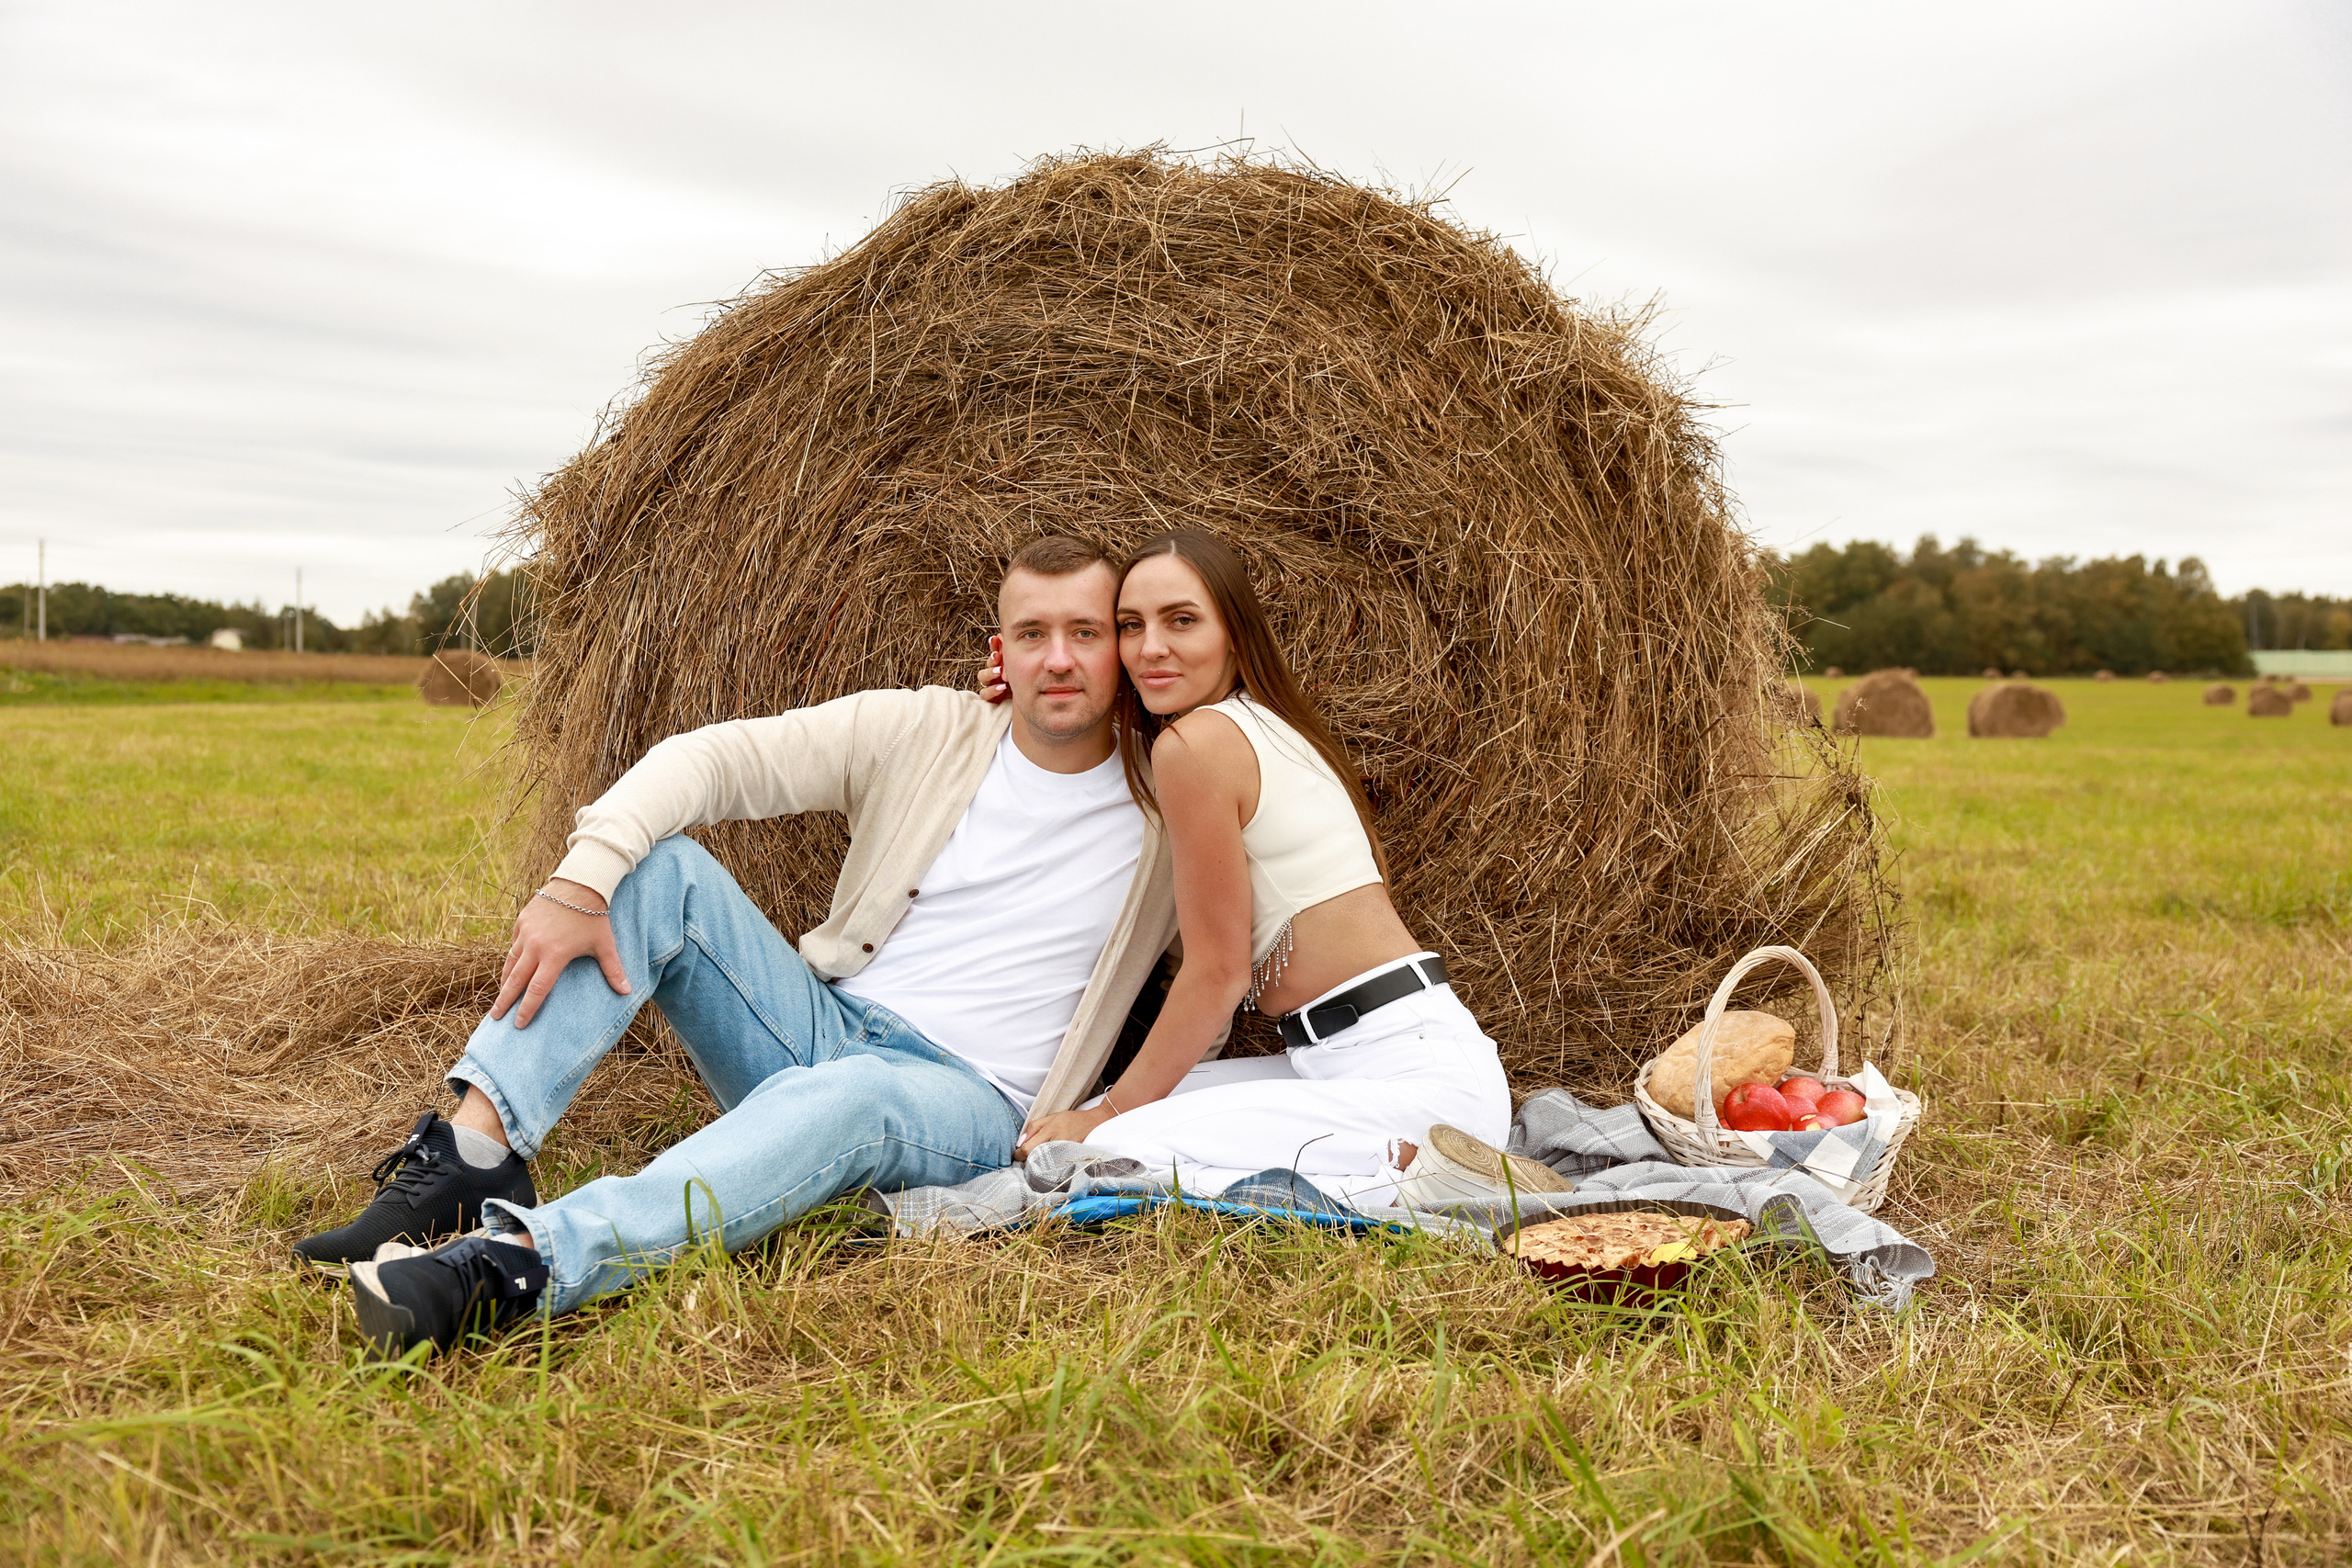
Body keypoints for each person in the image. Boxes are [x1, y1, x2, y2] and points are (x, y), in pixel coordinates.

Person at [297, 536, 1181, 1356]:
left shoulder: (1181, 794)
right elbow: (713, 760)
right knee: (660, 868)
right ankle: (471, 1153)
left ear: (1126, 646)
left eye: (1083, 633)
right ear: (1001, 646)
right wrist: (582, 878)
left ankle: (519, 1263)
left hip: (969, 1102)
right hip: (823, 1022)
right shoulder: (929, 731)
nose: (1057, 658)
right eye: (1033, 633)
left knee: (856, 1094)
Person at [983, 529, 1569, 1210]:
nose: (1150, 648)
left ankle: (1421, 1181)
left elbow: (1217, 973)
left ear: (1234, 634)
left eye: (1181, 621)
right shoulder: (1252, 724)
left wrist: (1107, 1116)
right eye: (1128, 626)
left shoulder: (1196, 745)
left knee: (1106, 1147)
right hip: (1357, 1059)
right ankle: (1411, 1175)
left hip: (1415, 1081)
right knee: (1096, 1125)